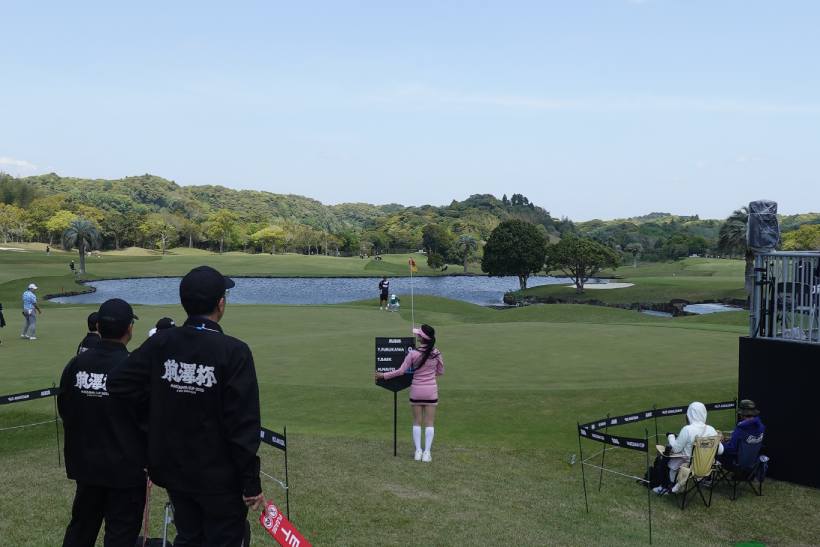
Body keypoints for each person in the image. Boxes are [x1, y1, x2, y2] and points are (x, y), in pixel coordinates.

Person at [108, 265, 263, 545]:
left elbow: (120, 383)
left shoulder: (162, 342)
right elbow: (243, 425)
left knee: (189, 537)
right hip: (219, 478)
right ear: (221, 304)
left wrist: (153, 416)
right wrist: (250, 482)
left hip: (174, 468)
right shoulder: (234, 351)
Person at [57, 298, 146, 547]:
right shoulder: (134, 368)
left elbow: (65, 408)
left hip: (87, 465)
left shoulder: (76, 364)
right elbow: (146, 419)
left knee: (81, 530)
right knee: (121, 535)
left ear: (98, 327)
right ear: (129, 328)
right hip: (126, 470)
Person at [375, 324, 444, 462]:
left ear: (421, 338)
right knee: (429, 423)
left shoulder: (413, 353)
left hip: (416, 390)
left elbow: (401, 371)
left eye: (419, 334)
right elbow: (440, 371)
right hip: (431, 391)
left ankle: (418, 452)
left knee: (417, 422)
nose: (417, 335)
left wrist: (383, 375)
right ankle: (427, 453)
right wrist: (430, 374)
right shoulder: (436, 353)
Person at [654, 401, 724, 495]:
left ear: (690, 414)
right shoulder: (711, 429)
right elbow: (720, 450)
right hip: (706, 467)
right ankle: (674, 485)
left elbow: (675, 449)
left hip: (688, 466)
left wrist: (671, 437)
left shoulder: (687, 429)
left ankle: (666, 486)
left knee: (664, 458)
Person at [718, 399, 765, 467]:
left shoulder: (741, 429)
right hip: (753, 462)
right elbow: (747, 442)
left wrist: (720, 444)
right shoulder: (761, 427)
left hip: (737, 463)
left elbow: (731, 449)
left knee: (715, 452)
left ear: (742, 414)